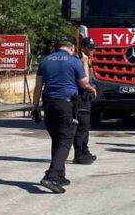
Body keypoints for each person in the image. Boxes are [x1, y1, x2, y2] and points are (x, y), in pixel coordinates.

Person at [32, 37, 95, 193]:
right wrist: (92, 88)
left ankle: (60, 174)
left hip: (48, 104)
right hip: (65, 104)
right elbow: (83, 83)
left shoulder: (45, 60)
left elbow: (38, 87)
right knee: (66, 140)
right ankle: (51, 177)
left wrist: (35, 108)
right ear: (72, 48)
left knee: (57, 139)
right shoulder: (74, 61)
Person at [70, 37, 98, 165]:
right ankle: (78, 154)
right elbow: (83, 81)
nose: (92, 50)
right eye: (90, 48)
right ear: (83, 47)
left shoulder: (87, 59)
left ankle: (84, 150)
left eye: (93, 48)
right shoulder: (78, 60)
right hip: (80, 97)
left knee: (86, 126)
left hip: (87, 96)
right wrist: (85, 63)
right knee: (81, 125)